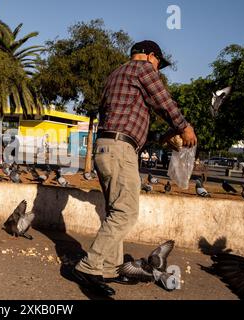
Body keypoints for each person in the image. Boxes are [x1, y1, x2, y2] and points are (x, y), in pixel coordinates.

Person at [72, 40, 197, 296]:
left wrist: (161, 137)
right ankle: (89, 265)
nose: (158, 70)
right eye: (159, 64)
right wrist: (184, 127)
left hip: (106, 147)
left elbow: (126, 120)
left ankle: (109, 268)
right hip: (120, 150)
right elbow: (165, 102)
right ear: (151, 56)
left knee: (115, 211)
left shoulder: (116, 74)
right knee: (126, 213)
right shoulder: (143, 69)